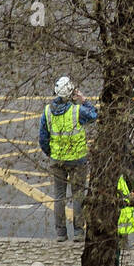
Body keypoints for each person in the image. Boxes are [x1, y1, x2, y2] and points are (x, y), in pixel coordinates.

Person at [38, 76, 97, 240]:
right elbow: (94, 115)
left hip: (57, 160)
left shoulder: (48, 111)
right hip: (77, 160)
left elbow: (43, 138)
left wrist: (51, 154)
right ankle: (78, 232)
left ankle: (61, 233)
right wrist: (84, 101)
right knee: (78, 196)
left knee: (59, 197)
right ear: (71, 92)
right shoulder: (77, 110)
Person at [116, 168, 134, 266]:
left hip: (124, 207)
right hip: (123, 208)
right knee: (122, 225)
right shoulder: (120, 178)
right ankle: (123, 243)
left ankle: (123, 243)